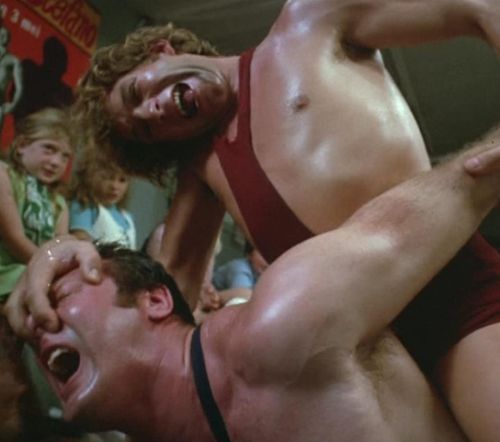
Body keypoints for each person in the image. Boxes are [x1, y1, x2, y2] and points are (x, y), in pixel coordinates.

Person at [7, 2, 500, 438]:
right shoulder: (203, 169)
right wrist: (65, 251)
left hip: (454, 298)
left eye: (138, 92)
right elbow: (160, 286)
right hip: (366, 357)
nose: (152, 111)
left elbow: (476, 7)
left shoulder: (310, 20)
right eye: (145, 130)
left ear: (159, 51)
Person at [22, 142, 500, 441]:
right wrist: (47, 254)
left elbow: (468, 184)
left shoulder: (282, 326)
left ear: (155, 300)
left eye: (61, 298)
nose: (42, 324)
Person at [0, 107, 73, 303]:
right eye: (49, 149)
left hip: (36, 272)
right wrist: (49, 270)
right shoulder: (4, 175)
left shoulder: (58, 202)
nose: (56, 162)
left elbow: (60, 245)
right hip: (7, 271)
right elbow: (14, 238)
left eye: (65, 156)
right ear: (22, 145)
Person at [67, 147, 136, 249]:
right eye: (108, 178)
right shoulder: (85, 207)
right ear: (91, 177)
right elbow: (80, 240)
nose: (114, 186)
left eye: (122, 180)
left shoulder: (127, 217)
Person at [0, 22, 22, 133]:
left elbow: (19, 88)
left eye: (5, 35)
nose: (2, 37)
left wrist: (13, 105)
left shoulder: (13, 61)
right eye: (0, 34)